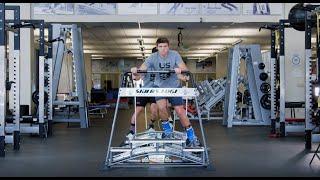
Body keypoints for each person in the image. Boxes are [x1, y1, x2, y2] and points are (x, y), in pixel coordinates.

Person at [131, 37, 200, 147]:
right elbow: (139, 73)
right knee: (161, 108)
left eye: (165, 46)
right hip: (160, 88)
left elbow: (184, 69)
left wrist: (180, 70)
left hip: (174, 87)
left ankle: (191, 136)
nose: (163, 49)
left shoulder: (174, 55)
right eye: (160, 47)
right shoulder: (152, 58)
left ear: (168, 46)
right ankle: (167, 131)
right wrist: (135, 72)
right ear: (157, 47)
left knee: (180, 111)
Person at [126, 47, 159, 140]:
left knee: (154, 110)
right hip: (144, 91)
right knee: (138, 111)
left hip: (155, 92)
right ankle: (131, 130)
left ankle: (151, 126)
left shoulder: (162, 66)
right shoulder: (146, 65)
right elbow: (136, 77)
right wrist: (134, 71)